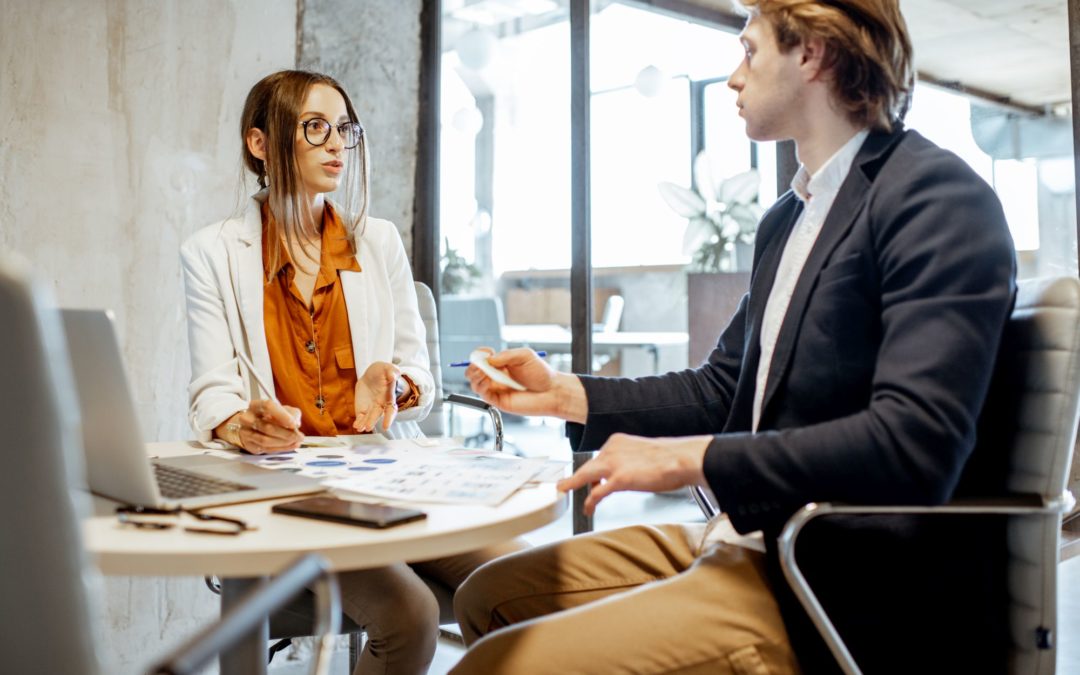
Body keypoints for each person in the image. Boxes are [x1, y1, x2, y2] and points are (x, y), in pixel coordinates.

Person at [451, 1, 1017, 673]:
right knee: (487, 595)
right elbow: (723, 386)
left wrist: (696, 459)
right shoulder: (789, 219)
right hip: (751, 537)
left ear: (812, 53)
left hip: (837, 581)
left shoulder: (935, 197)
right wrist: (563, 394)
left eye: (750, 52)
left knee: (489, 665)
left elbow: (914, 441)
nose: (732, 78)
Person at [180, 69, 523, 675]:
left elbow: (420, 383)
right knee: (410, 616)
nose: (338, 144)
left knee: (525, 581)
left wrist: (396, 384)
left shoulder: (378, 242)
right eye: (316, 127)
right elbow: (213, 394)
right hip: (289, 491)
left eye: (345, 129)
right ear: (260, 144)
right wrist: (242, 424)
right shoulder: (211, 254)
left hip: (386, 476)